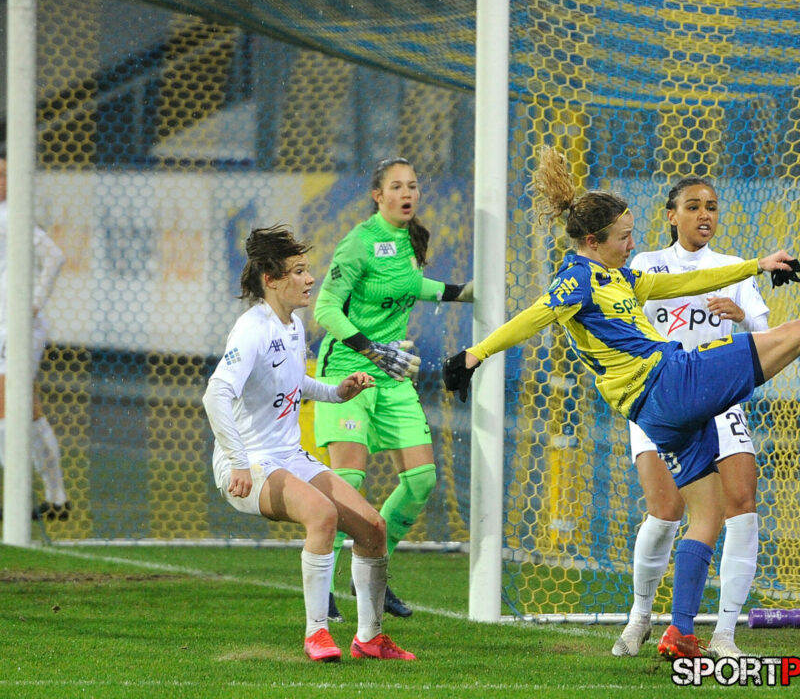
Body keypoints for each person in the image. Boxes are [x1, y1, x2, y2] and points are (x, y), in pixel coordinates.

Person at [442, 146, 799, 660]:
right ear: (593, 241)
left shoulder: (623, 277)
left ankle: (680, 634)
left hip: (656, 414)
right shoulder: (578, 279)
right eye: (624, 237)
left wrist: (758, 266)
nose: (633, 243)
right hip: (671, 381)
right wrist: (475, 353)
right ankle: (652, 620)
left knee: (708, 513)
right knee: (794, 332)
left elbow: (687, 280)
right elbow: (535, 316)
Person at [202, 224, 415, 663]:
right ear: (271, 279)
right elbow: (215, 393)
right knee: (322, 513)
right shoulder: (252, 329)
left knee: (374, 529)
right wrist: (238, 463)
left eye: (307, 270)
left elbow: (293, 382)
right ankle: (317, 633)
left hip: (288, 458)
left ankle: (370, 638)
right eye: (298, 271)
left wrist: (337, 392)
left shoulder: (294, 325)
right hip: (247, 465)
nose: (310, 278)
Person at [612, 177, 769, 660]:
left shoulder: (732, 268)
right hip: (661, 401)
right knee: (665, 508)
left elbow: (766, 333)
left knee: (741, 505)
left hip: (721, 400)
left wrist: (741, 314)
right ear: (671, 215)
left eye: (713, 207)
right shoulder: (644, 266)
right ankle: (641, 615)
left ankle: (724, 635)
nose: (705, 215)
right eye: (694, 206)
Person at [313, 157, 472, 621]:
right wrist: (369, 349)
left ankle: (375, 574)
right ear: (377, 195)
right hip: (349, 371)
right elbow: (325, 308)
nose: (408, 193)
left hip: (393, 374)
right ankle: (321, 581)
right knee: (350, 480)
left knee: (421, 479)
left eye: (414, 185)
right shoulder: (358, 243)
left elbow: (407, 284)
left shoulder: (408, 239)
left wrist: (461, 292)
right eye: (397, 186)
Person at [0, 148, 69, 522]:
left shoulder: (15, 217)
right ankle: (56, 496)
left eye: (5, 175)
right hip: (4, 324)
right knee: (27, 407)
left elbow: (55, 257)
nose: (2, 181)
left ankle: (17, 496)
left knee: (9, 401)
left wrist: (34, 303)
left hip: (18, 325)